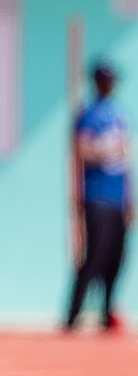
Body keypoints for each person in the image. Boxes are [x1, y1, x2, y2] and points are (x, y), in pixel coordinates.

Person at [65, 62, 130, 334]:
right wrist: (103, 150)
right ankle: (73, 314)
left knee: (117, 258)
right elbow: (83, 152)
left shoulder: (119, 115)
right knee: (94, 257)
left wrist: (130, 200)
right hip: (96, 196)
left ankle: (106, 312)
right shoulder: (88, 115)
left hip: (118, 198)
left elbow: (126, 160)